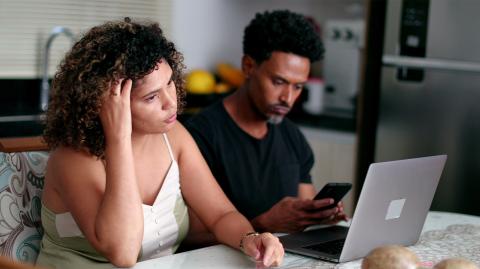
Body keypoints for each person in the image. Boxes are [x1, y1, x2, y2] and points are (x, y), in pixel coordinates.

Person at [36, 18, 283, 269]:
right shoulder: (73, 157)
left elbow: (221, 215)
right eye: (151, 97)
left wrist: (251, 239)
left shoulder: (173, 136)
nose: (170, 102)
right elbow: (123, 253)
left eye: (169, 83)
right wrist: (119, 137)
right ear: (107, 103)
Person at [185, 10, 348, 236]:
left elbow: (305, 209)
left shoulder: (292, 136)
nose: (288, 98)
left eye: (298, 86)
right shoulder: (199, 135)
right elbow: (187, 235)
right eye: (279, 82)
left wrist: (322, 217)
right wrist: (262, 224)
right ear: (249, 66)